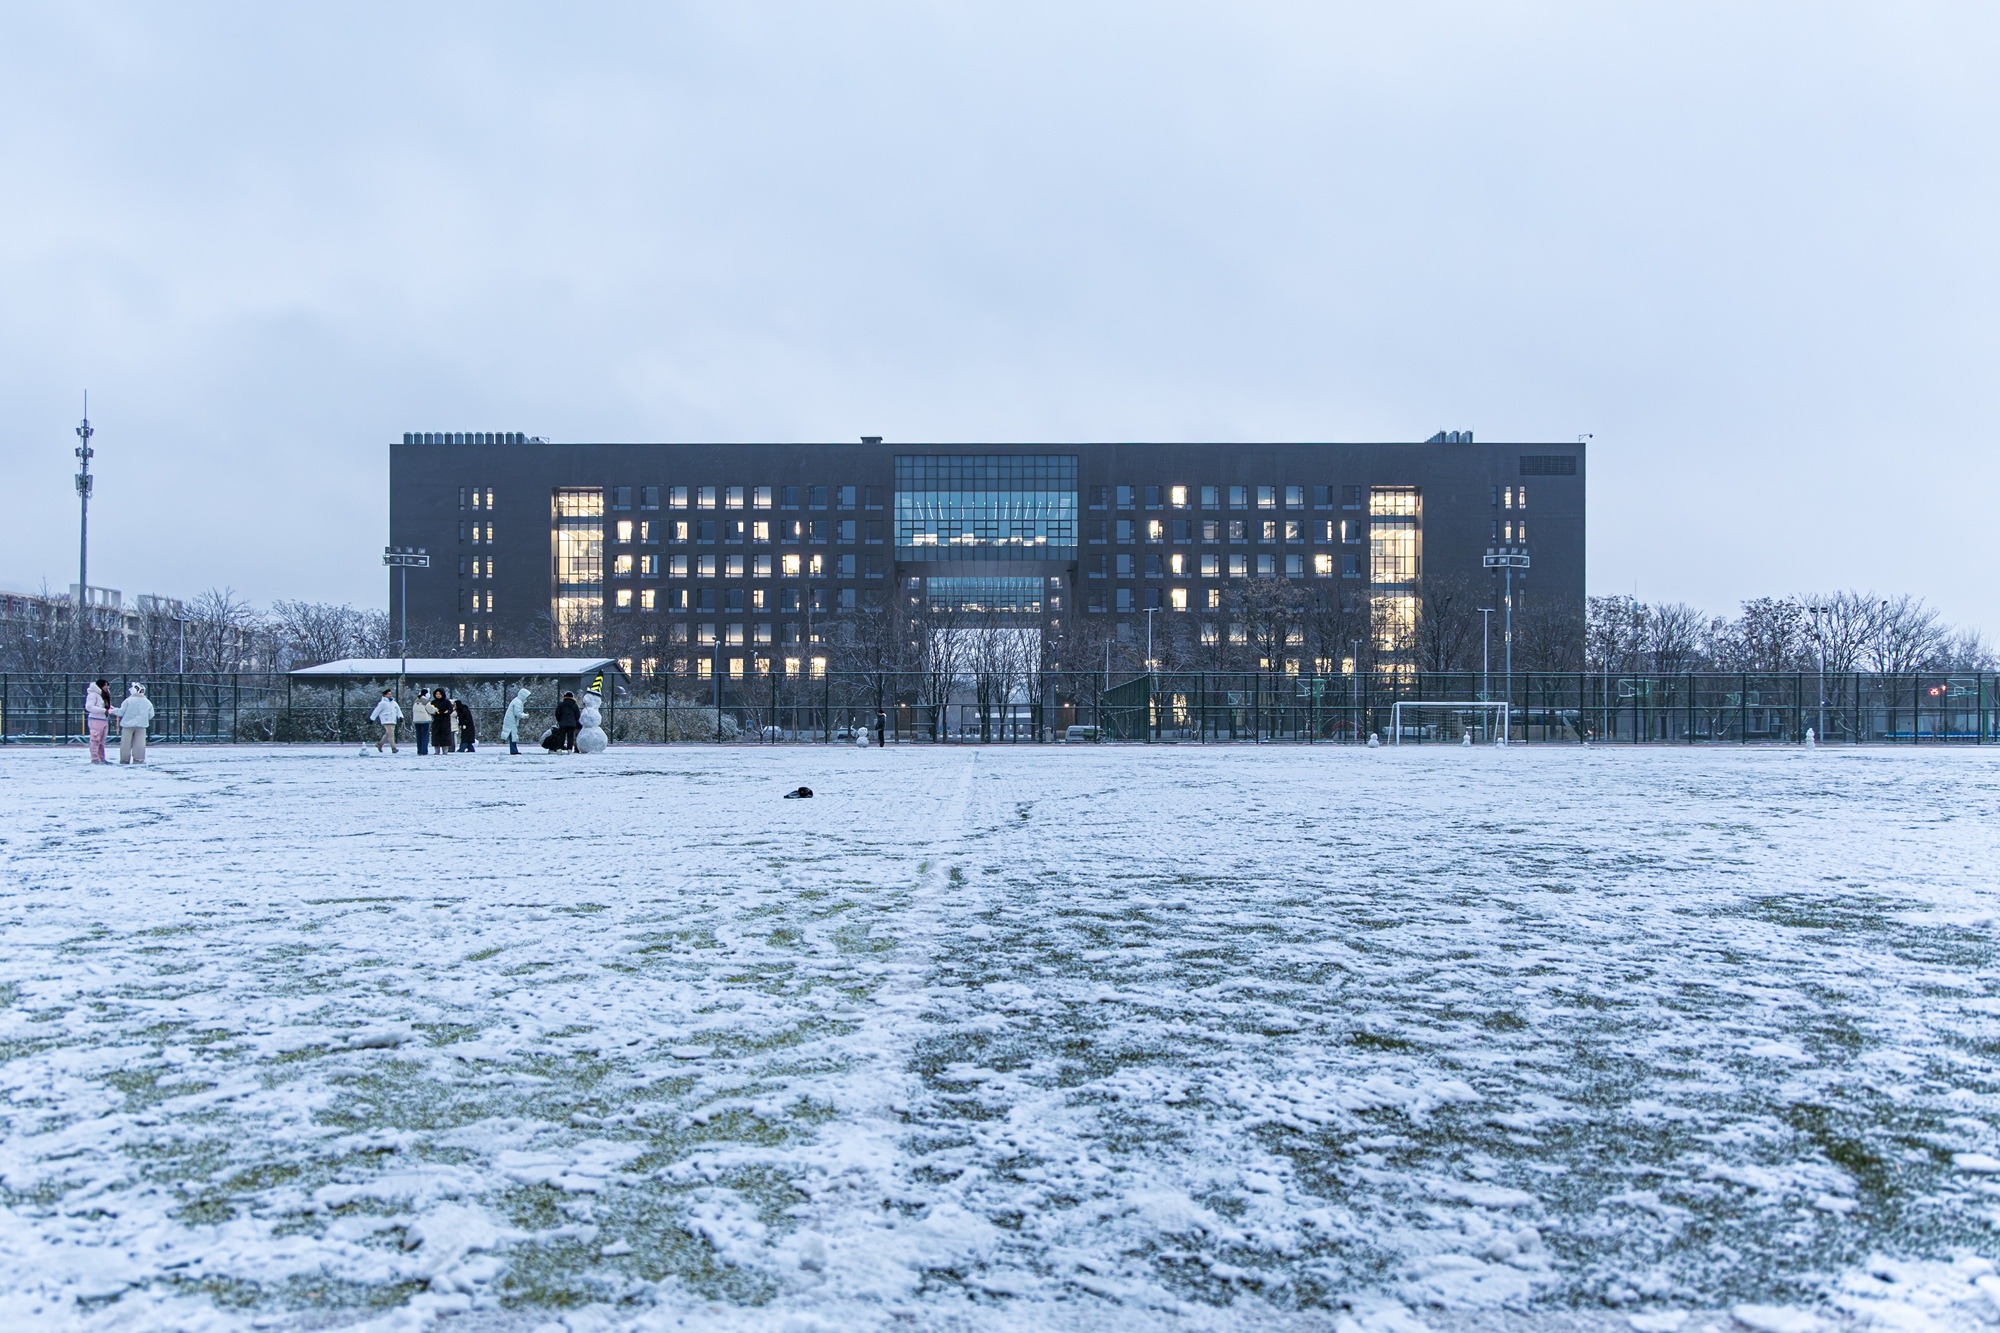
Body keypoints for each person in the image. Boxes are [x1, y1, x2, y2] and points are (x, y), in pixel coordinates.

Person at [117, 683, 155, 765]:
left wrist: (113, 710)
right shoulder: (147, 702)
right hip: (141, 726)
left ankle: (124, 760)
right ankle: (139, 760)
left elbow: (121, 712)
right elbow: (151, 715)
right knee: (140, 744)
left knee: (125, 744)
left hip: (127, 726)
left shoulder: (128, 700)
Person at [83, 678, 113, 763]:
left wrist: (111, 709)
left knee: (102, 741)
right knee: (95, 740)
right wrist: (103, 710)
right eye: (105, 685)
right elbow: (89, 707)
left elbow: (104, 706)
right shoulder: (93, 695)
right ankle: (95, 758)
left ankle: (101, 758)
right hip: (95, 719)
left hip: (104, 719)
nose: (107, 687)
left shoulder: (104, 695)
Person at [500, 687, 531, 755]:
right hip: (511, 721)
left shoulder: (517, 700)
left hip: (510, 720)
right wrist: (524, 715)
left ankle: (514, 750)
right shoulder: (518, 702)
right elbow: (517, 713)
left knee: (512, 735)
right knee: (513, 735)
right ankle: (514, 750)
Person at [411, 689, 434, 755]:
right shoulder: (426, 701)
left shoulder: (416, 701)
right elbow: (431, 710)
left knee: (419, 735)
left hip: (416, 720)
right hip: (425, 720)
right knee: (425, 735)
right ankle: (424, 751)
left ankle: (419, 750)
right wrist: (436, 710)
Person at [432, 689, 454, 755]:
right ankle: (436, 751)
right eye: (437, 694)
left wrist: (447, 712)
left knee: (445, 736)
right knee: (436, 736)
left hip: (445, 722)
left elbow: (451, 709)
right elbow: (430, 710)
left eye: (439, 694)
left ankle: (445, 751)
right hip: (436, 722)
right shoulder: (433, 702)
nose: (438, 695)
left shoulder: (447, 702)